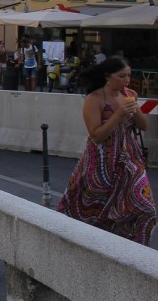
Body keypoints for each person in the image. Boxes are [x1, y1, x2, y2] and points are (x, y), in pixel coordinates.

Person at [57, 57, 156, 245]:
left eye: (129, 75)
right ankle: (98, 248)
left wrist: (135, 110)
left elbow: (143, 127)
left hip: (129, 157)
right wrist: (118, 115)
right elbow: (96, 136)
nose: (127, 80)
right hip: (102, 159)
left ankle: (136, 250)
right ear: (108, 76)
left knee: (146, 208)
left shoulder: (130, 94)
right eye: (122, 76)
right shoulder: (94, 99)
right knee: (95, 210)